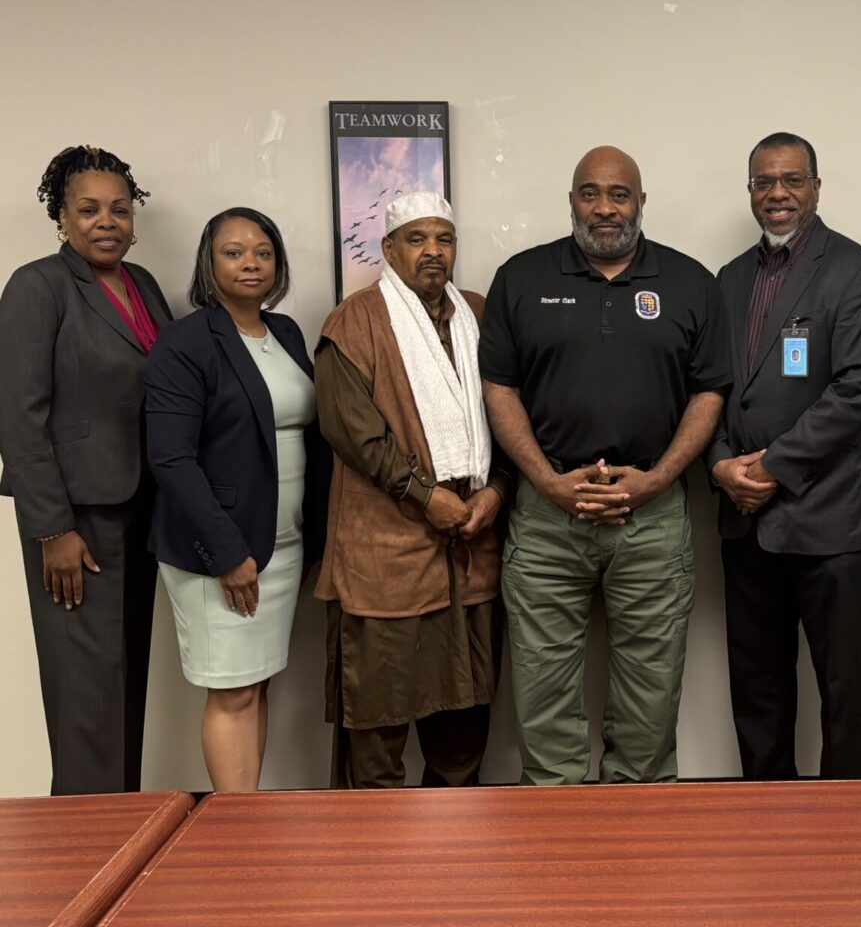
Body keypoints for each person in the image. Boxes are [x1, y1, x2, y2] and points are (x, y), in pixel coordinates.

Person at [480, 145, 729, 785]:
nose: (605, 207)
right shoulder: (522, 278)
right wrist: (544, 480)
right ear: (572, 202)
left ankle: (640, 830)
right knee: (541, 685)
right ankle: (556, 826)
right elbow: (499, 388)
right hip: (545, 518)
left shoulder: (689, 282)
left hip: (651, 515)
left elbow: (709, 392)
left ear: (641, 203)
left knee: (651, 687)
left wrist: (660, 477)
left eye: (619, 194)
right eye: (590, 193)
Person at [708, 132, 861, 780]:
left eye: (791, 180)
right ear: (751, 192)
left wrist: (771, 468)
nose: (777, 193)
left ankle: (850, 826)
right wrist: (721, 464)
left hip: (828, 519)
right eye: (763, 182)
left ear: (815, 186)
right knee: (756, 686)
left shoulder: (858, 272)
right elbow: (713, 388)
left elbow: (859, 391)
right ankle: (767, 814)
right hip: (745, 520)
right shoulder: (730, 279)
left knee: (842, 689)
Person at [314, 191, 511, 788]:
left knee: (464, 728)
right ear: (388, 249)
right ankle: (374, 870)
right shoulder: (355, 320)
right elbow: (355, 434)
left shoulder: (478, 314)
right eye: (417, 239)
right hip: (386, 559)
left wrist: (496, 490)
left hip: (471, 554)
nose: (433, 252)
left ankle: (454, 865)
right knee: (377, 730)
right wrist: (430, 498)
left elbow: (511, 419)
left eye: (443, 239)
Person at [0, 145, 172, 795]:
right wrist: (51, 529)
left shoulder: (144, 286)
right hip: (75, 521)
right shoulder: (36, 286)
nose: (108, 221)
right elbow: (19, 417)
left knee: (123, 680)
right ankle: (83, 846)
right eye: (90, 209)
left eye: (120, 209)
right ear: (63, 218)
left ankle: (120, 829)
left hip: (140, 510)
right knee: (85, 694)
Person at [145, 208, 329, 791]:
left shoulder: (287, 333)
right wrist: (227, 552)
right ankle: (235, 830)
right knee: (232, 691)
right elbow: (171, 459)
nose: (250, 262)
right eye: (233, 252)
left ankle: (246, 818)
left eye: (263, 252)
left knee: (258, 681)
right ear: (209, 262)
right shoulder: (186, 342)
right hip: (220, 549)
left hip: (284, 542)